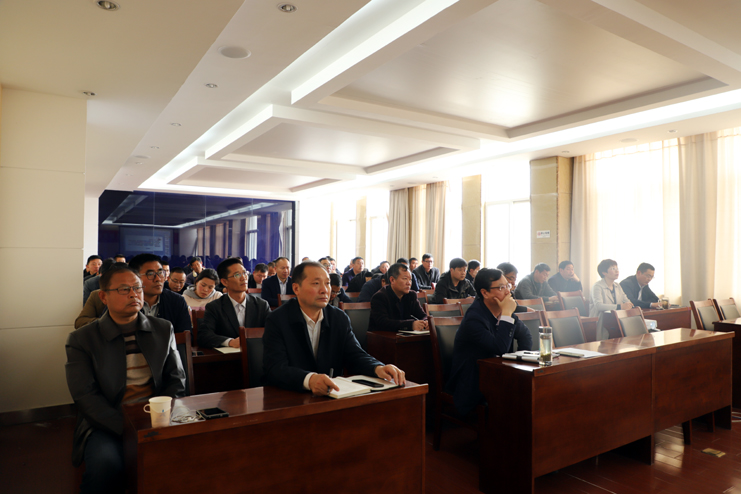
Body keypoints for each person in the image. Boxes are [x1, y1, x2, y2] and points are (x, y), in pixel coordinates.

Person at [66, 263, 185, 494]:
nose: (134, 294)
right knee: (105, 465)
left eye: (137, 288)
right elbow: (85, 396)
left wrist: (161, 416)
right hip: (107, 422)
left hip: (157, 416)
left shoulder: (163, 328)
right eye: (124, 289)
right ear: (103, 297)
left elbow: (176, 379)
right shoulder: (82, 339)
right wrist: (127, 428)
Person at [263, 261, 405, 394]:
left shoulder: (338, 318)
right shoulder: (277, 319)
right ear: (296, 288)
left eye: (327, 283)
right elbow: (275, 368)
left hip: (332, 394)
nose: (325, 290)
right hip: (291, 396)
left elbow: (355, 355)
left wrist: (377, 367)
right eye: (316, 283)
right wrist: (309, 380)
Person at [446, 268, 532, 416]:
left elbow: (526, 336)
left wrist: (519, 365)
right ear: (485, 293)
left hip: (498, 375)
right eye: (501, 287)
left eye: (507, 285)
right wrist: (506, 314)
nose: (508, 292)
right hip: (474, 383)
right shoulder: (474, 318)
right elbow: (499, 348)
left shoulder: (502, 310)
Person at [197, 258, 270, 349]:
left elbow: (273, 331)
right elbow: (203, 336)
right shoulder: (214, 307)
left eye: (244, 273)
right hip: (229, 356)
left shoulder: (261, 305)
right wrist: (230, 342)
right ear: (224, 282)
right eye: (237, 275)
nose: (244, 278)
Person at [129, 254, 192, 333]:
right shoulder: (127, 302)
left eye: (160, 272)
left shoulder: (177, 301)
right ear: (134, 277)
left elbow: (185, 336)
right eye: (150, 274)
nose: (158, 279)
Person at [369, 263, 428, 333]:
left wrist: (426, 322)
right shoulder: (380, 297)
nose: (409, 283)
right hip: (382, 337)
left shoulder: (411, 295)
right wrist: (410, 325)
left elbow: (423, 315)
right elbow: (383, 323)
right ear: (392, 280)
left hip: (405, 336)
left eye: (410, 279)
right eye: (405, 279)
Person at [76, 259, 116, 328]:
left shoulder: (129, 294)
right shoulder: (93, 289)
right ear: (100, 275)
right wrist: (106, 322)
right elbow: (80, 321)